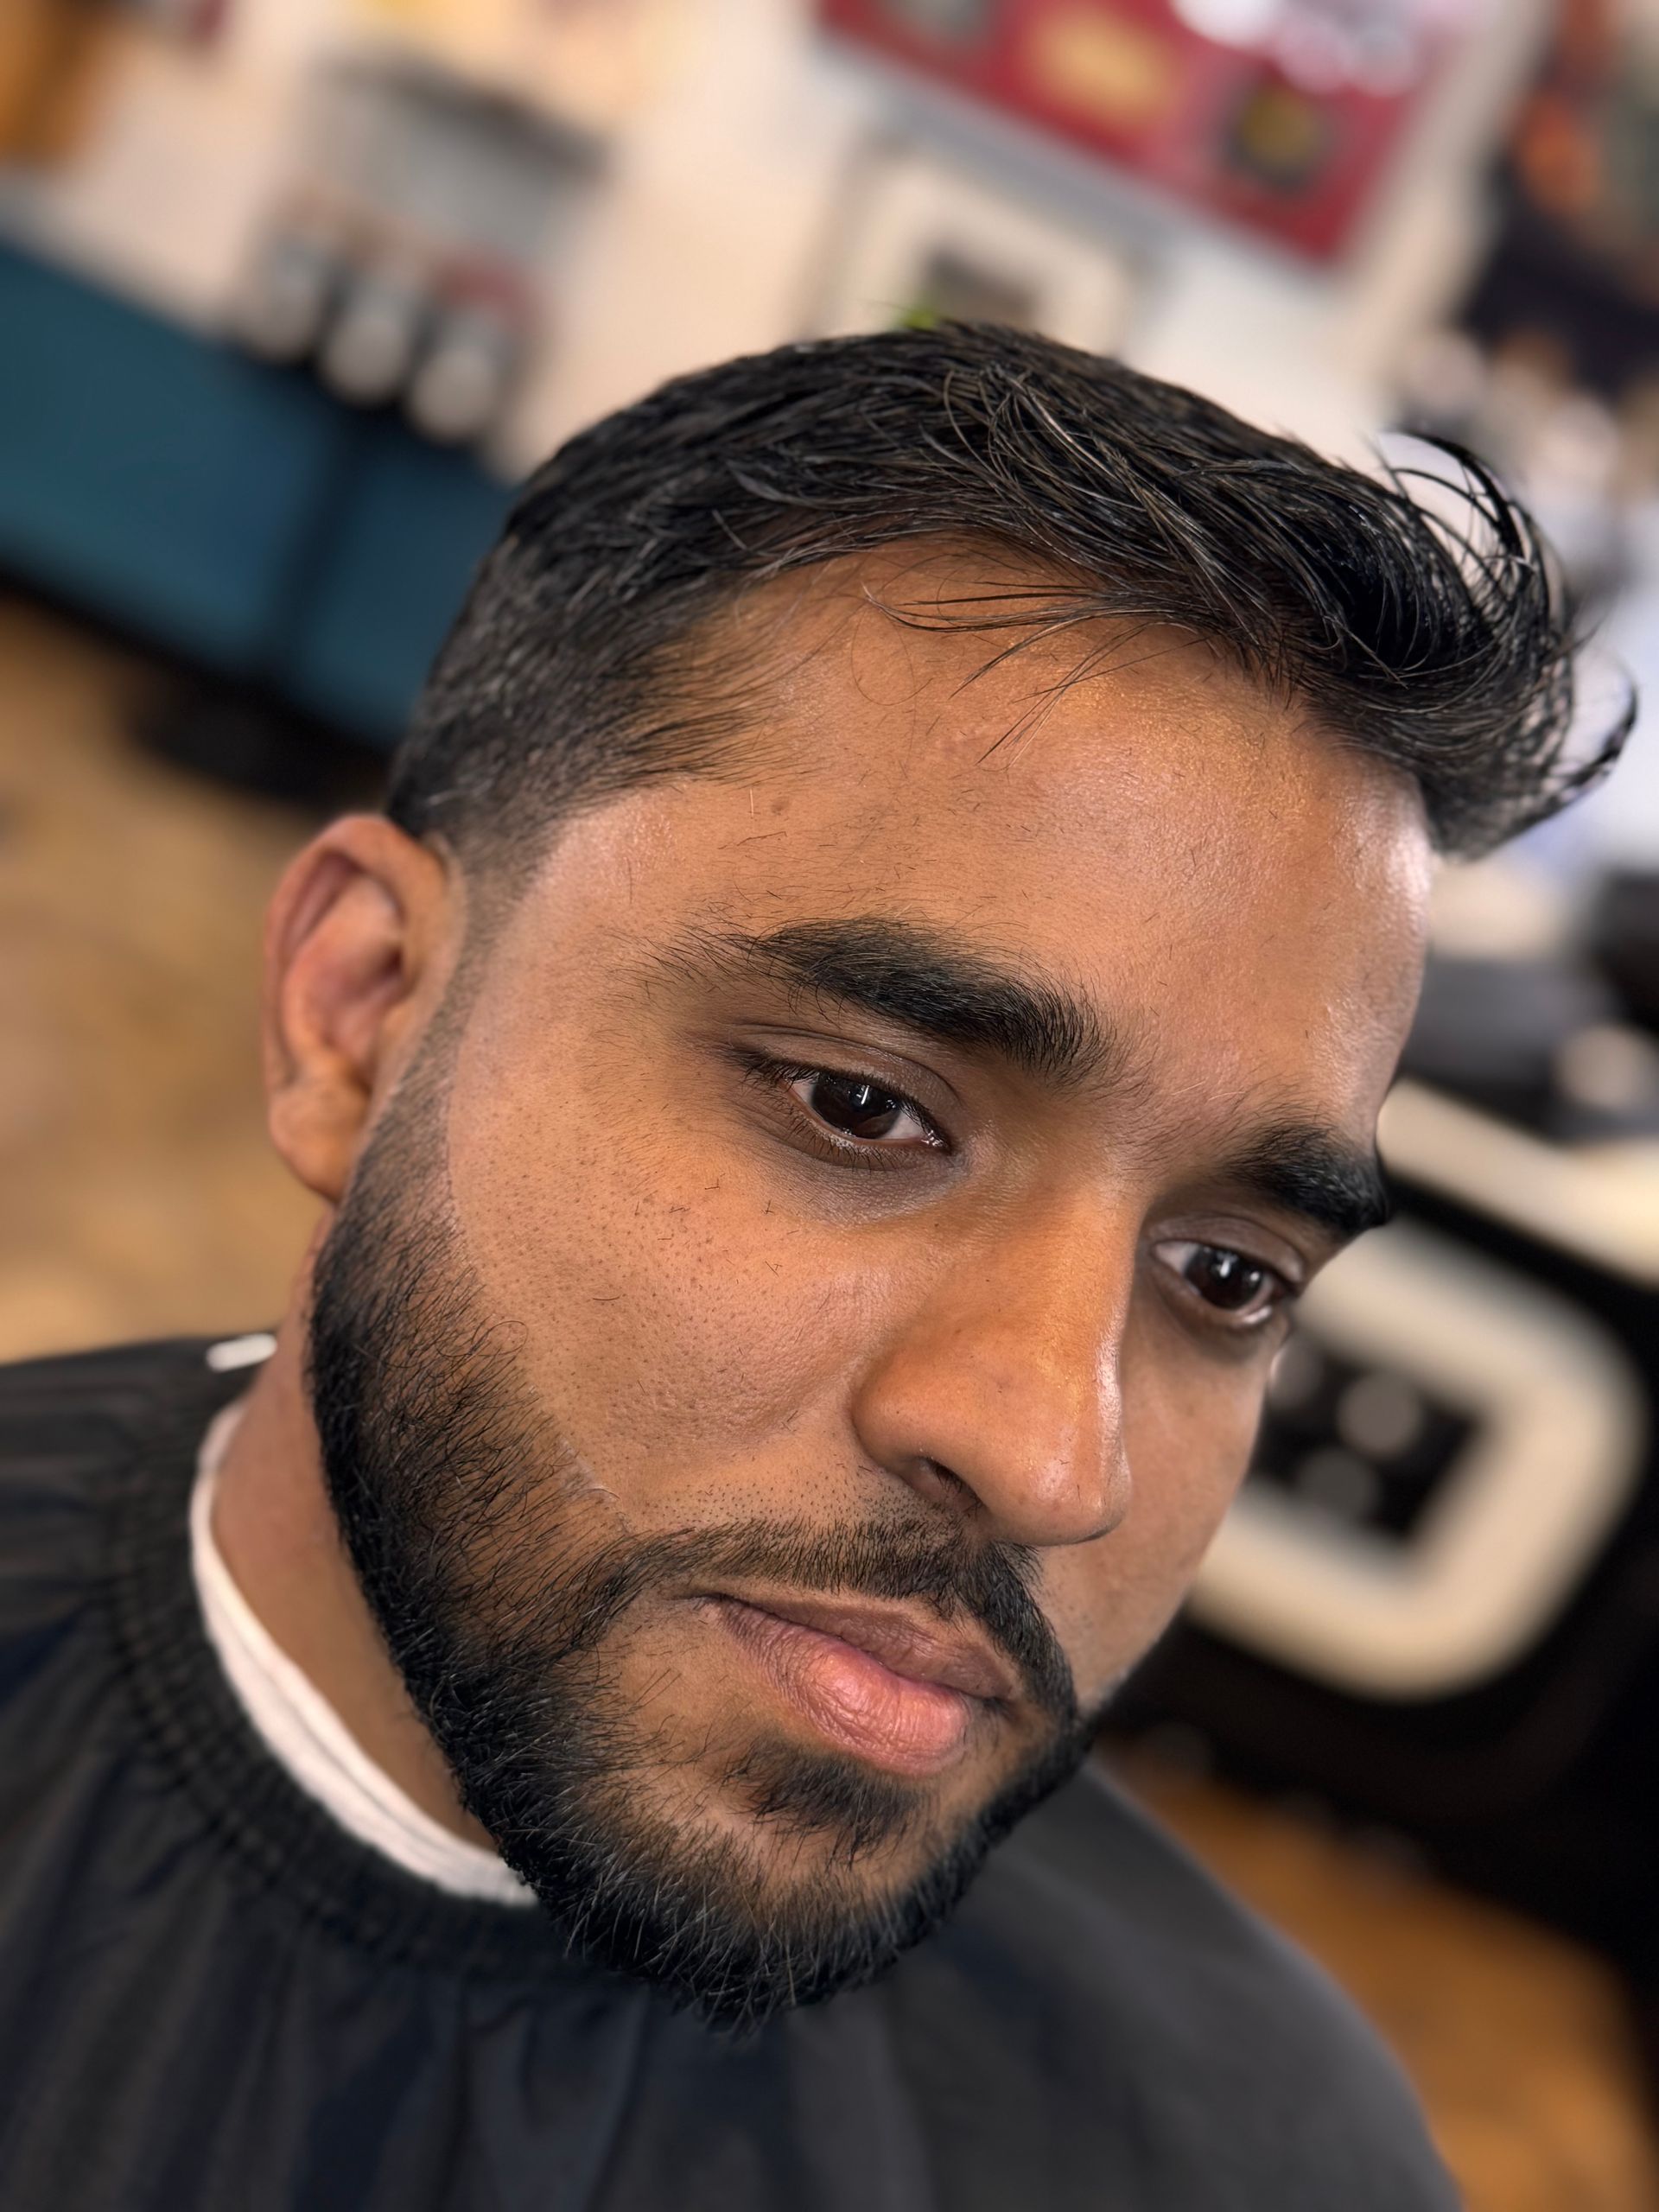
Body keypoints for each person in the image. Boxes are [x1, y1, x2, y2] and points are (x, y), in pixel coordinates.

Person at [0, 324, 1624, 2211]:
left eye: (1227, 1273)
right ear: (359, 1015)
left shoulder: (1253, 2162)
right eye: (863, 1105)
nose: (1049, 1453)